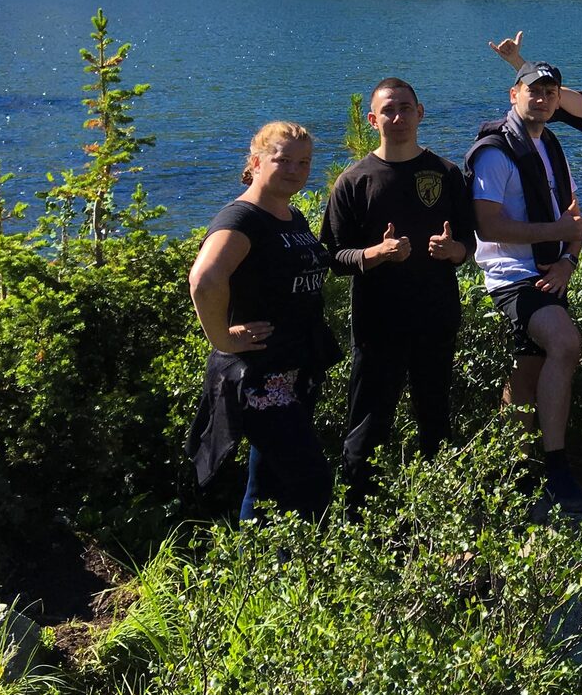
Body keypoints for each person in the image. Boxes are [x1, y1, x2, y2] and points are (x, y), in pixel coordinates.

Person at [320, 79, 476, 509]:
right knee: (369, 423)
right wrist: (376, 254)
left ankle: (439, 514)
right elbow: (333, 256)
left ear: (420, 113)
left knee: (435, 417)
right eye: (388, 110)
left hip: (436, 317)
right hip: (378, 324)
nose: (398, 117)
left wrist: (454, 250)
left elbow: (470, 243)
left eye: (406, 108)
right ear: (373, 120)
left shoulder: (445, 175)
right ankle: (358, 517)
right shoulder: (354, 181)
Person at [187, 122, 339, 521]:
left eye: (304, 163)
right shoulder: (242, 219)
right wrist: (223, 337)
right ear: (255, 162)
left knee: (267, 480)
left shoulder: (292, 217)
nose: (295, 170)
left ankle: (257, 569)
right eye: (283, 160)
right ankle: (302, 567)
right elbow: (204, 280)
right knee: (313, 480)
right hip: (260, 375)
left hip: (295, 367)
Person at [464, 61, 582, 512]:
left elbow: (572, 219)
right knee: (565, 343)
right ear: (513, 94)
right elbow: (489, 223)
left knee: (527, 371)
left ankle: (512, 469)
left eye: (550, 92)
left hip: (548, 271)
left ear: (559, 99)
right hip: (511, 277)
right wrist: (553, 235)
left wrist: (567, 262)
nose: (541, 99)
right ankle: (556, 467)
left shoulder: (551, 145)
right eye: (533, 91)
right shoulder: (495, 152)